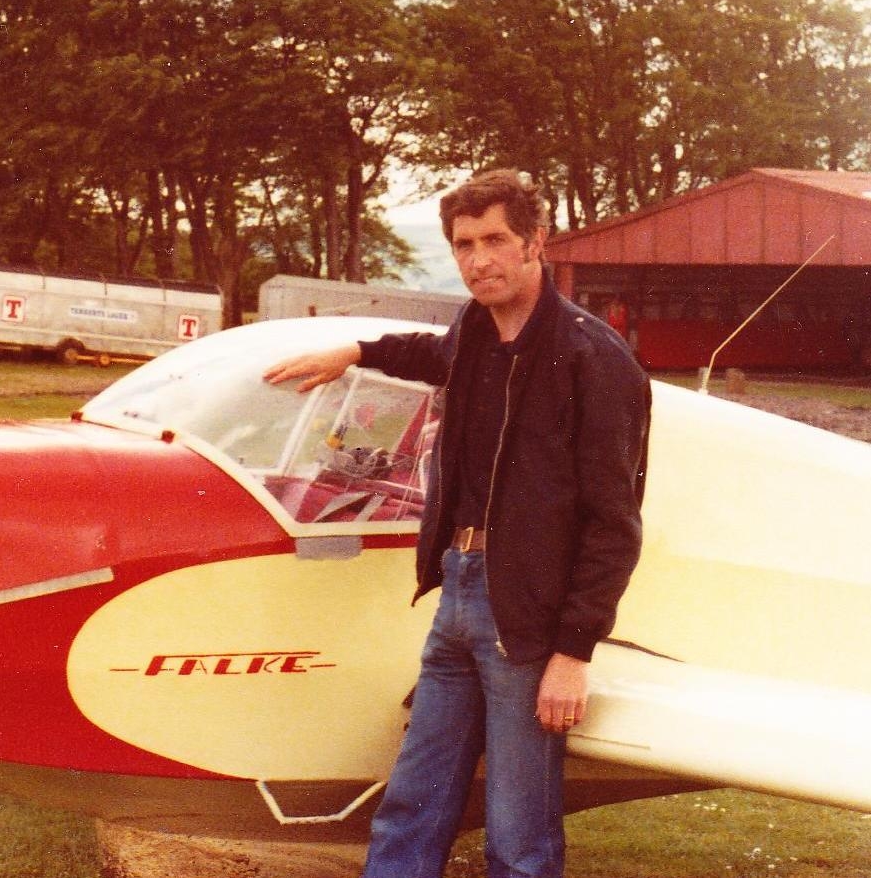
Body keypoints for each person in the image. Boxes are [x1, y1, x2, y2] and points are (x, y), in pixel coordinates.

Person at [263, 169, 651, 878]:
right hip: (458, 593)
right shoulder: (473, 334)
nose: (478, 259)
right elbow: (425, 350)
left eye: (495, 239)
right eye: (463, 244)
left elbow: (613, 524)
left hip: (526, 612)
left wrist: (572, 652)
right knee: (413, 799)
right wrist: (354, 351)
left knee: (517, 831)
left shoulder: (591, 357)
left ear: (536, 241)